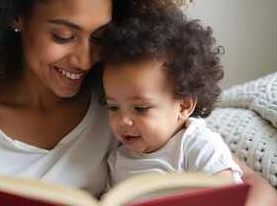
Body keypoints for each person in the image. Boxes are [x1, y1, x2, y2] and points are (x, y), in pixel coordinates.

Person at [0, 0, 276, 206]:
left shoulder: (119, 105)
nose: (84, 59)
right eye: (63, 35)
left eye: (100, 38)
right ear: (15, 18)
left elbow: (253, 188)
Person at [101, 13, 242, 190]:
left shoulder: (197, 146)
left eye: (140, 108)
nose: (123, 120)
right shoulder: (118, 160)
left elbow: (227, 195)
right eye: (114, 107)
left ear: (184, 106)